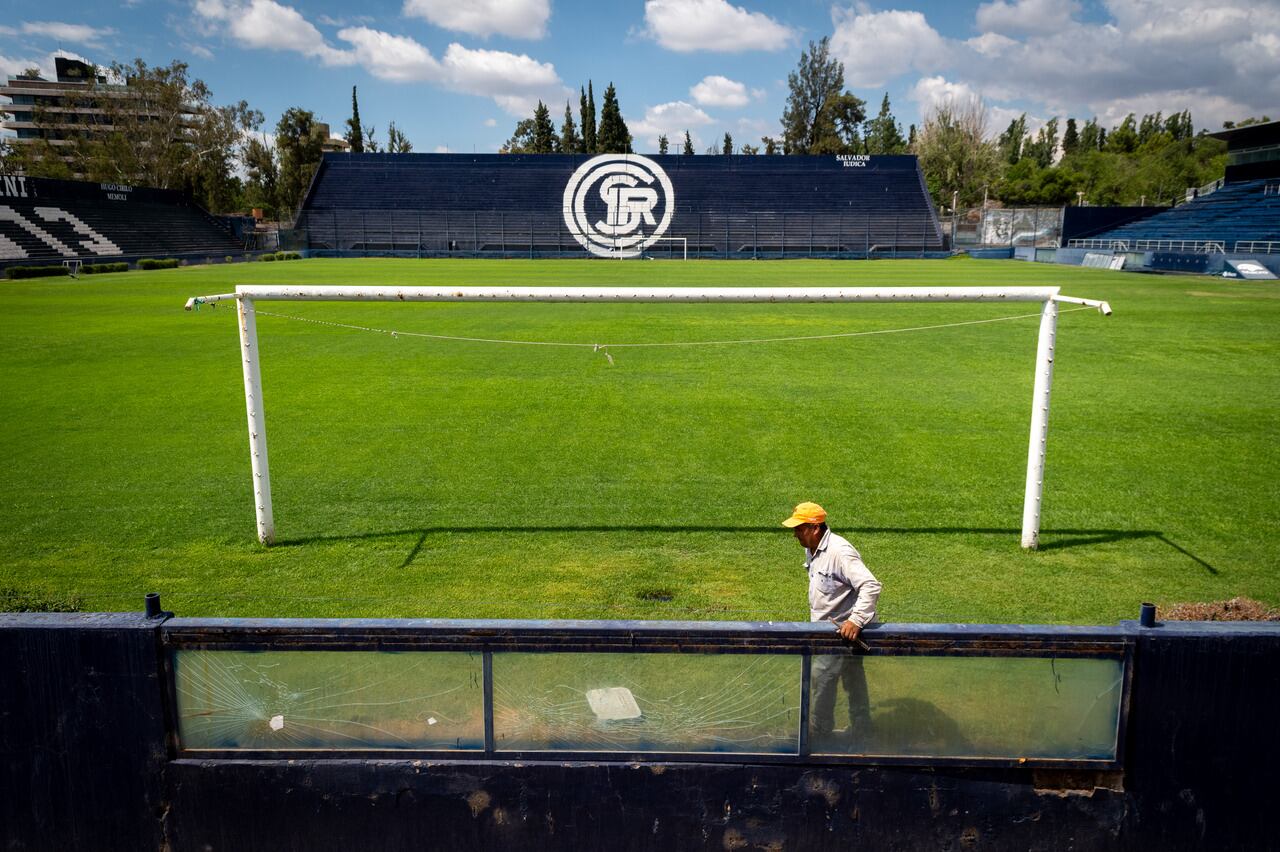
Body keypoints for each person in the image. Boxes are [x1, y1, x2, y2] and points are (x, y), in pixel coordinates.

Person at [782, 501, 882, 748]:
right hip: (831, 630)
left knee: (822, 678)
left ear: (815, 528)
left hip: (843, 633)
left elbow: (871, 585)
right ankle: (863, 732)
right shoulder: (813, 548)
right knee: (853, 681)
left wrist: (856, 620)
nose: (794, 533)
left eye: (799, 528)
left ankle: (820, 732)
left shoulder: (839, 551)